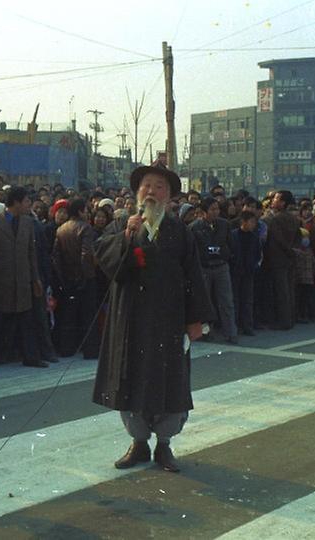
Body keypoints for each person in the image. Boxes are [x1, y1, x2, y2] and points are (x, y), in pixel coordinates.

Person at [93, 162, 212, 473]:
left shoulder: (181, 233)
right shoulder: (122, 226)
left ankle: (164, 445)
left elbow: (194, 277)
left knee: (169, 382)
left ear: (170, 196)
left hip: (168, 323)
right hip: (130, 321)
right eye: (146, 185)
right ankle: (138, 442)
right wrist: (128, 237)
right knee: (129, 380)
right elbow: (106, 263)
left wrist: (196, 318)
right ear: (136, 192)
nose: (152, 191)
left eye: (159, 187)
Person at [0, 186, 46, 369]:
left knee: (26, 322)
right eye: (26, 201)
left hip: (22, 281)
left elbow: (31, 253)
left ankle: (31, 358)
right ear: (16, 202)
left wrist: (35, 278)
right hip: (0, 281)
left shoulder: (27, 223)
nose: (29, 205)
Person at [51, 197, 100, 358]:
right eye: (86, 210)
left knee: (68, 315)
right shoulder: (85, 228)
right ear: (80, 211)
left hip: (67, 277)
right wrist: (87, 275)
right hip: (84, 277)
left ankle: (66, 349)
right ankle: (90, 350)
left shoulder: (61, 229)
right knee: (88, 315)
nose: (88, 213)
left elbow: (56, 258)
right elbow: (86, 254)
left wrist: (62, 277)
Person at [189, 197, 235, 343]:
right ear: (203, 212)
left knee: (226, 301)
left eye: (217, 209)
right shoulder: (194, 228)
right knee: (205, 301)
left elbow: (230, 244)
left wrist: (224, 253)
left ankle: (230, 332)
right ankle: (206, 332)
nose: (216, 212)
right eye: (212, 209)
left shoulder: (224, 225)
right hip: (204, 267)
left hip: (221, 266)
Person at [264, 190, 301, 329]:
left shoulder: (274, 219)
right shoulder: (294, 219)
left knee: (281, 291)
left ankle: (283, 321)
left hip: (278, 258)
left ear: (283, 202)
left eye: (276, 199)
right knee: (289, 290)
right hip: (290, 258)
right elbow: (298, 237)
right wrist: (294, 251)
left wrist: (289, 250)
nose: (273, 201)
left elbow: (279, 240)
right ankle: (290, 319)